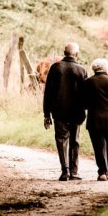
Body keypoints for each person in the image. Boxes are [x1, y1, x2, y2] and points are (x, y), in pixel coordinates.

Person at [43, 42, 88, 181]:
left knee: (61, 140)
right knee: (75, 140)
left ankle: (65, 171)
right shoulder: (82, 70)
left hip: (59, 111)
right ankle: (74, 172)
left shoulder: (55, 68)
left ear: (64, 52)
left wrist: (46, 114)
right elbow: (86, 94)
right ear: (76, 54)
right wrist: (85, 109)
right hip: (77, 112)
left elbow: (48, 93)